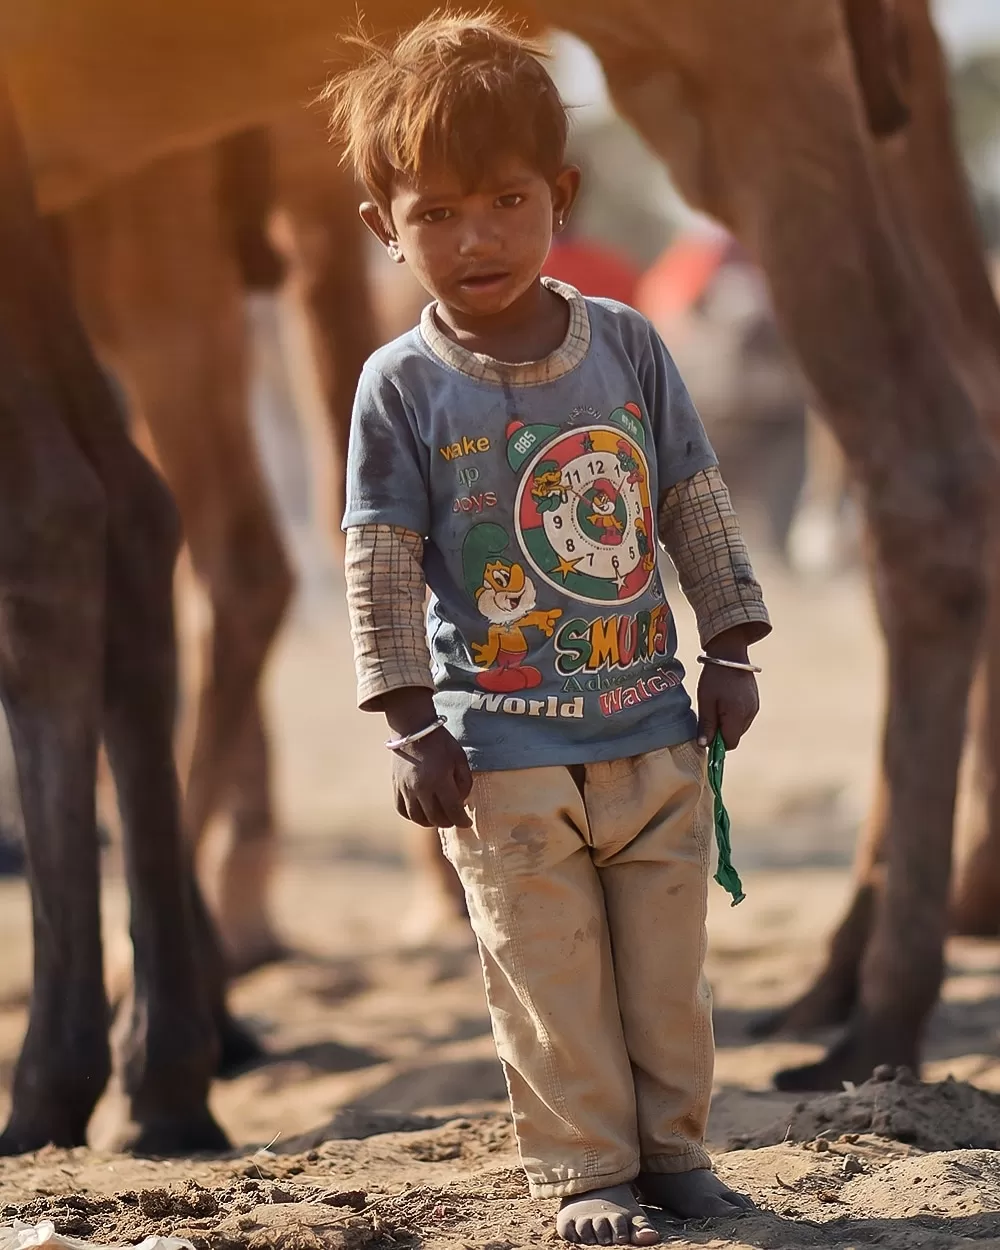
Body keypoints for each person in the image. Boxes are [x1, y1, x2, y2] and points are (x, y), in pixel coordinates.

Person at [327, 12, 771, 1245]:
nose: (476, 239)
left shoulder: (626, 344)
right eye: (435, 214)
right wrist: (410, 719)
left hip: (652, 729)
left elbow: (689, 491)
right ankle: (587, 1170)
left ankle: (677, 1153)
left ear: (559, 194)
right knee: (547, 971)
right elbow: (381, 559)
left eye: (506, 201)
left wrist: (727, 642)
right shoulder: (400, 386)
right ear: (384, 227)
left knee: (664, 972)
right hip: (501, 750)